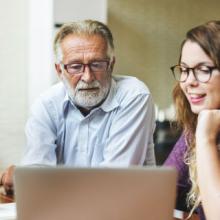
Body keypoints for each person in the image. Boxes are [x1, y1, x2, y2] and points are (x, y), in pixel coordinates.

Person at [0, 20, 155, 193]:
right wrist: (30, 179)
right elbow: (35, 177)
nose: (88, 77)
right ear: (59, 71)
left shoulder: (134, 96)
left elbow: (114, 180)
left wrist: (33, 179)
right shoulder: (46, 105)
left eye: (97, 64)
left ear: (111, 65)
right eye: (75, 67)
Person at [165, 20, 220, 220]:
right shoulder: (197, 126)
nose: (189, 81)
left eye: (203, 69)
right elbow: (160, 193)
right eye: (185, 70)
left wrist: (206, 139)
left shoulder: (205, 130)